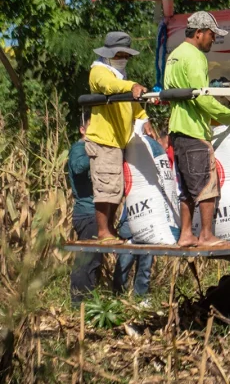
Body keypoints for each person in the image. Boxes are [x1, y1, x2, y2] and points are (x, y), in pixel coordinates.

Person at [164, 11, 230, 248]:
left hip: (176, 129)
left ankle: (186, 234)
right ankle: (207, 235)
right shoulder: (196, 57)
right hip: (193, 130)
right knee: (207, 183)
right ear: (198, 33)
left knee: (187, 187)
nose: (213, 40)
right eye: (211, 35)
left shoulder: (174, 55)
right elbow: (202, 97)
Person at [85, 31, 151, 241]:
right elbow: (110, 87)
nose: (124, 59)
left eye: (127, 56)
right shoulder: (100, 71)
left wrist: (143, 116)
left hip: (117, 142)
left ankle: (109, 229)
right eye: (121, 55)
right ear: (109, 53)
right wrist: (131, 86)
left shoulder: (119, 76)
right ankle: (104, 230)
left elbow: (130, 104)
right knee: (106, 187)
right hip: (104, 140)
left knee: (116, 188)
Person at [68, 125, 102, 305]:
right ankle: (77, 303)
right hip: (86, 214)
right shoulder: (79, 148)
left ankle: (88, 302)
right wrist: (95, 152)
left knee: (94, 260)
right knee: (85, 260)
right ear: (82, 129)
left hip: (95, 214)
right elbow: (78, 167)